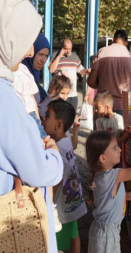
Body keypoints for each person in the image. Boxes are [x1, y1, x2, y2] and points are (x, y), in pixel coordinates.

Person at [0, 0, 63, 252]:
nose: (27, 52)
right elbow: (38, 170)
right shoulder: (4, 98)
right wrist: (55, 155)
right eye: (25, 40)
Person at [43, 99, 87, 253]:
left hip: (62, 203)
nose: (43, 118)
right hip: (72, 200)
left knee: (58, 240)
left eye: (48, 115)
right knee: (74, 234)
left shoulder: (57, 149)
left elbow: (57, 179)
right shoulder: (66, 141)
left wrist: (47, 199)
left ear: (58, 124)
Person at [87, 29, 131, 115]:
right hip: (123, 107)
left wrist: (101, 84)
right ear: (126, 43)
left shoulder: (102, 52)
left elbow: (91, 82)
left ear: (112, 40)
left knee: (100, 128)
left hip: (102, 106)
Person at [39, 73, 81, 150]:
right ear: (54, 90)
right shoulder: (45, 107)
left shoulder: (61, 105)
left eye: (67, 94)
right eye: (62, 93)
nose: (65, 97)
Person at [49, 38, 85, 112]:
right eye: (66, 49)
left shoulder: (75, 57)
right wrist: (59, 56)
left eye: (70, 49)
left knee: (71, 117)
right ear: (62, 47)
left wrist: (87, 71)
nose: (68, 51)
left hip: (72, 95)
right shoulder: (55, 55)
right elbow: (51, 70)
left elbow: (81, 70)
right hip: (60, 94)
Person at [22, 33, 50, 103]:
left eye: (46, 56)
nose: (43, 60)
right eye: (41, 54)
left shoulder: (34, 77)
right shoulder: (20, 75)